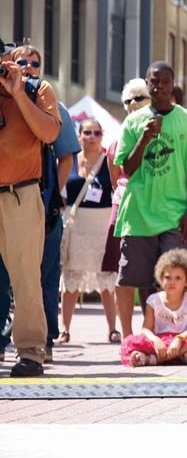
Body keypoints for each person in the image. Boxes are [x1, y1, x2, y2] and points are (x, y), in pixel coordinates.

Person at [113, 61, 187, 337]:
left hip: (174, 214)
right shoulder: (133, 122)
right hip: (140, 213)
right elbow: (127, 169)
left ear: (172, 85)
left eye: (164, 82)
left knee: (176, 276)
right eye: (153, 82)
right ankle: (144, 333)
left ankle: (178, 331)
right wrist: (145, 137)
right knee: (142, 279)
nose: (158, 87)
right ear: (147, 85)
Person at [0, 44, 79, 363]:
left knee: (25, 277)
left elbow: (48, 133)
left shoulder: (37, 90)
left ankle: (31, 351)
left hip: (22, 194)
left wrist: (17, 92)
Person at [58, 119, 119, 344]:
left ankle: (113, 329)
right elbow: (61, 191)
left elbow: (117, 188)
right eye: (87, 132)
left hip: (102, 225)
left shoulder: (109, 161)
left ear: (102, 136)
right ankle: (64, 330)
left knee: (107, 280)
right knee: (71, 279)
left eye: (96, 133)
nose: (91, 137)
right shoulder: (69, 160)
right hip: (77, 224)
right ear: (80, 135)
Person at [101, 79, 151, 337]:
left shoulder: (161, 129)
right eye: (128, 100)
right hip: (125, 206)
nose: (133, 104)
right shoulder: (118, 136)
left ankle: (149, 331)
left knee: (153, 275)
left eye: (139, 97)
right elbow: (114, 177)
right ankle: (128, 335)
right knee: (124, 272)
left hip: (156, 209)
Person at [120, 249, 187, 366]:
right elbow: (146, 329)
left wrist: (179, 338)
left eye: (178, 278)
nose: (172, 282)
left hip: (183, 339)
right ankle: (181, 356)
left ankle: (152, 360)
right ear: (160, 278)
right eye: (168, 277)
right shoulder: (153, 300)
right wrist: (155, 340)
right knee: (130, 341)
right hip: (160, 341)